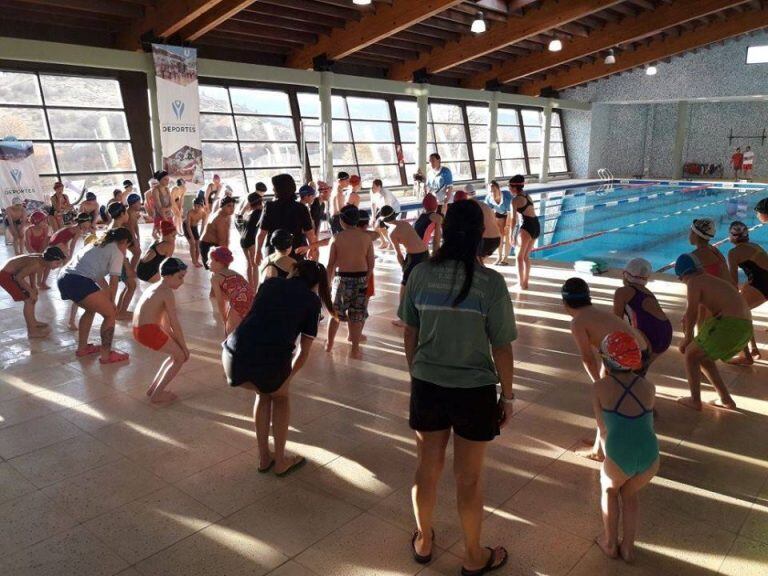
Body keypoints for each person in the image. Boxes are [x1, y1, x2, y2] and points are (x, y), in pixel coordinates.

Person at [398, 199, 515, 575]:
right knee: (469, 479)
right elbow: (501, 346)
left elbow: (410, 333)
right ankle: (473, 556)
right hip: (474, 390)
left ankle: (424, 539)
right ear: (481, 236)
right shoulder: (491, 283)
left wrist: (417, 373)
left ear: (445, 231)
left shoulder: (419, 274)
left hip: (428, 385)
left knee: (426, 468)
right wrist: (508, 396)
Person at [221, 260, 334, 476]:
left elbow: (255, 320)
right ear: (315, 283)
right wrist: (287, 379)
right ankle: (280, 461)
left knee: (264, 395)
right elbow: (303, 352)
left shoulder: (269, 284)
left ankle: (264, 458)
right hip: (267, 363)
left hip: (232, 356)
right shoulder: (312, 301)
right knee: (280, 397)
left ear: (295, 272)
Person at [562, 277, 648, 460]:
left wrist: (598, 384)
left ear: (565, 303)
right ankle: (598, 444)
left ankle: (600, 451)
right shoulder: (598, 312)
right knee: (617, 399)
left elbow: (588, 358)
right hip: (640, 352)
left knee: (603, 402)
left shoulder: (578, 322)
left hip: (626, 358)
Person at [592, 332, 659, 564]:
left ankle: (610, 543)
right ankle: (628, 548)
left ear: (605, 361)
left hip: (620, 456)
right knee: (630, 494)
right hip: (650, 456)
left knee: (610, 490)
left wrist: (606, 456)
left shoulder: (599, 388)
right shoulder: (649, 387)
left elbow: (602, 429)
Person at [675, 253, 752, 410]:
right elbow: (701, 317)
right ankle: (725, 399)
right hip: (745, 329)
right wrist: (696, 338)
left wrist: (688, 339)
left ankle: (695, 400)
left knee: (690, 354)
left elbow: (692, 313)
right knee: (702, 357)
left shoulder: (694, 282)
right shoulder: (710, 281)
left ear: (681, 276)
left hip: (731, 326)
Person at [57, 227, 133, 365]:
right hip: (78, 280)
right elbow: (113, 282)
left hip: (64, 279)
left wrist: (107, 299)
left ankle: (83, 348)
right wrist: (112, 303)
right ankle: (106, 355)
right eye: (127, 246)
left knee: (91, 309)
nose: (126, 250)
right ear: (124, 241)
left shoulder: (97, 245)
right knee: (110, 314)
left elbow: (99, 278)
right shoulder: (116, 252)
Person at [132, 257, 190, 403]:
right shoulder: (166, 292)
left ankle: (153, 389)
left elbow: (164, 324)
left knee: (175, 355)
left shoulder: (155, 287)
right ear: (168, 275)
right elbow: (174, 323)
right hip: (148, 330)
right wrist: (184, 347)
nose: (182, 281)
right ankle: (157, 395)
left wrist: (177, 344)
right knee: (180, 357)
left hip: (139, 329)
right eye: (180, 277)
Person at [326, 205, 374, 359]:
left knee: (336, 314)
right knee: (357, 314)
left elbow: (330, 264)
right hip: (361, 279)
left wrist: (327, 283)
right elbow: (371, 262)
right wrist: (367, 277)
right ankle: (355, 348)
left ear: (341, 221)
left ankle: (329, 344)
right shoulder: (366, 238)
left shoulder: (337, 238)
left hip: (342, 280)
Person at [613, 258, 672, 370]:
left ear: (625, 274)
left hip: (648, 334)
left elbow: (617, 322)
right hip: (665, 333)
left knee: (629, 373)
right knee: (640, 372)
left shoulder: (622, 292)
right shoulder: (647, 292)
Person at [0, 247, 66, 338]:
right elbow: (19, 277)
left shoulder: (41, 259)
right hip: (5, 276)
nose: (58, 265)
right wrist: (30, 291)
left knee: (32, 297)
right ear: (49, 260)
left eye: (60, 263)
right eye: (57, 263)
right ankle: (32, 332)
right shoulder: (36, 263)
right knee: (29, 300)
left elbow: (32, 272)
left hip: (12, 274)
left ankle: (33, 322)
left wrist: (33, 286)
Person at [726, 221, 768, 364]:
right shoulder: (756, 245)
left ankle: (747, 356)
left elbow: (733, 282)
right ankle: (754, 349)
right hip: (761, 282)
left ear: (732, 236)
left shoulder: (733, 253)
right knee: (744, 310)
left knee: (737, 313)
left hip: (761, 285)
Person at [255, 174, 317, 265]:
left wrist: (258, 251)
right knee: (294, 277)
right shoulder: (301, 208)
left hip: (274, 251)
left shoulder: (269, 207)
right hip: (296, 250)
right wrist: (311, 248)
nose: (273, 190)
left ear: (279, 189)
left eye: (274, 187)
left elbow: (261, 234)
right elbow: (310, 234)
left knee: (273, 277)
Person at [209, 246, 254, 336]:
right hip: (251, 299)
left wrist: (224, 318)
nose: (208, 263)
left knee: (229, 333)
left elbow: (220, 301)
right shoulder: (234, 273)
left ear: (219, 262)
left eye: (210, 260)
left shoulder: (216, 278)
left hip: (239, 301)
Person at [456, 187, 501, 264]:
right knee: (478, 264)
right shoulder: (484, 204)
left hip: (485, 240)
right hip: (496, 239)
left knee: (474, 264)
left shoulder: (468, 207)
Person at [509, 175, 540, 289]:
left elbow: (513, 219)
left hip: (527, 226)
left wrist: (511, 235)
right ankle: (525, 282)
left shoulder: (515, 200)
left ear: (513, 188)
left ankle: (520, 284)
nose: (508, 189)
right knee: (526, 257)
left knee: (519, 257)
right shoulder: (527, 195)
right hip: (536, 225)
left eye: (509, 186)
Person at [199, 196, 236, 269]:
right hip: (207, 245)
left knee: (221, 270)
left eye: (233, 206)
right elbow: (222, 240)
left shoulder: (227, 215)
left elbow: (226, 235)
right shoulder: (219, 219)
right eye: (228, 206)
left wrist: (227, 252)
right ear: (222, 207)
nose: (232, 208)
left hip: (216, 243)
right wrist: (226, 257)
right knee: (217, 269)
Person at [484, 180, 513, 265]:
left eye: (494, 191)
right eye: (491, 192)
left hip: (511, 214)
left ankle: (505, 258)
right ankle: (499, 256)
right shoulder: (489, 198)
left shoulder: (507, 197)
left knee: (507, 234)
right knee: (499, 235)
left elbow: (510, 214)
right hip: (499, 213)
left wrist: (507, 226)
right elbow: (490, 213)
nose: (493, 193)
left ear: (499, 189)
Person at [239, 191, 264, 288]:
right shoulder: (259, 212)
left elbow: (240, 219)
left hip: (243, 239)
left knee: (249, 265)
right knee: (255, 266)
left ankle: (250, 287)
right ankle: (255, 290)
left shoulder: (248, 212)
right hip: (250, 240)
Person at [371, 178, 400, 249]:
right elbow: (373, 204)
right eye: (372, 187)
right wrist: (373, 217)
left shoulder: (386, 193)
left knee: (384, 227)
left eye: (374, 187)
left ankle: (392, 243)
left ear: (379, 187)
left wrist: (380, 218)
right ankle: (384, 242)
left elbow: (388, 209)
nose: (372, 188)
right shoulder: (372, 192)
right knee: (375, 226)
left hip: (393, 210)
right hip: (382, 209)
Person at [24, 211, 50, 288]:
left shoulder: (45, 228)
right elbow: (28, 246)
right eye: (43, 221)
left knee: (48, 264)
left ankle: (43, 282)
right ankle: (38, 283)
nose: (46, 222)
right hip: (31, 249)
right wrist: (36, 255)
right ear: (37, 221)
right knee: (38, 265)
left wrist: (42, 253)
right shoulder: (28, 230)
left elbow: (45, 242)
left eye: (46, 220)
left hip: (41, 248)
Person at [151, 171, 174, 238]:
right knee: (165, 236)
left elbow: (171, 204)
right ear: (160, 180)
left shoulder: (167, 189)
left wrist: (166, 209)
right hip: (160, 216)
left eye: (168, 180)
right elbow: (159, 208)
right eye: (165, 179)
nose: (167, 181)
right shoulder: (155, 190)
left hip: (169, 214)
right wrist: (166, 220)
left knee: (171, 235)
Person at [184, 197, 206, 268]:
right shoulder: (190, 212)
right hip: (187, 227)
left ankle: (196, 260)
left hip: (194, 227)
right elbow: (188, 227)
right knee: (192, 244)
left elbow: (203, 226)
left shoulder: (203, 214)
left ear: (202, 207)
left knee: (198, 245)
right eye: (195, 206)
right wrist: (192, 237)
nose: (196, 208)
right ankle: (194, 261)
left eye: (198, 206)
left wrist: (201, 236)